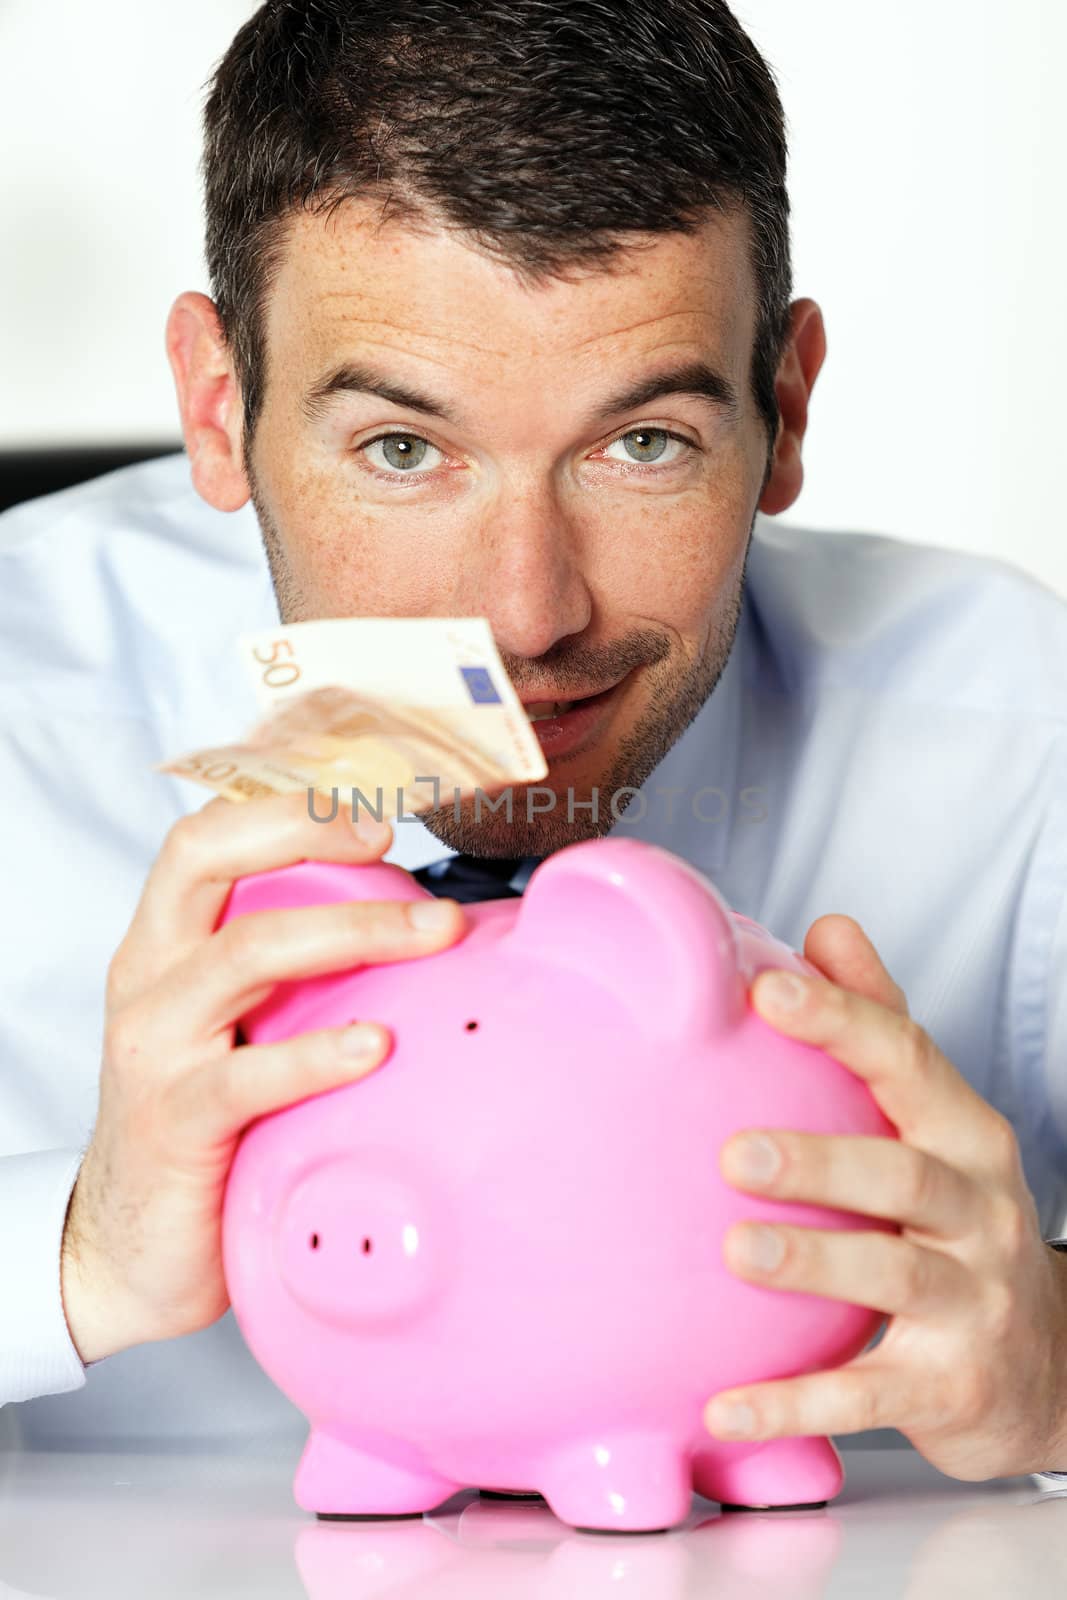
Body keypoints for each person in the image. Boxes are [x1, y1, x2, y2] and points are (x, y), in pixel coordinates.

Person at [2, 0, 1067, 1489]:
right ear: (220, 406)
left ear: (785, 404)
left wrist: (1060, 1362)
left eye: (643, 445)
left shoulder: (1018, 724)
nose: (531, 613)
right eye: (402, 450)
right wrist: (81, 1252)